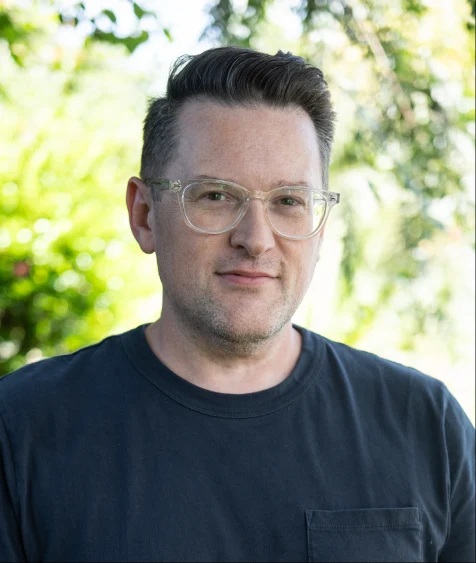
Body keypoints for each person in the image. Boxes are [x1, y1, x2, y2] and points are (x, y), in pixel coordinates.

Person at [0, 46, 474, 563]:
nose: (256, 239)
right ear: (144, 215)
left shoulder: (427, 426)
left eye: (289, 201)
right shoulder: (21, 430)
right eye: (216, 196)